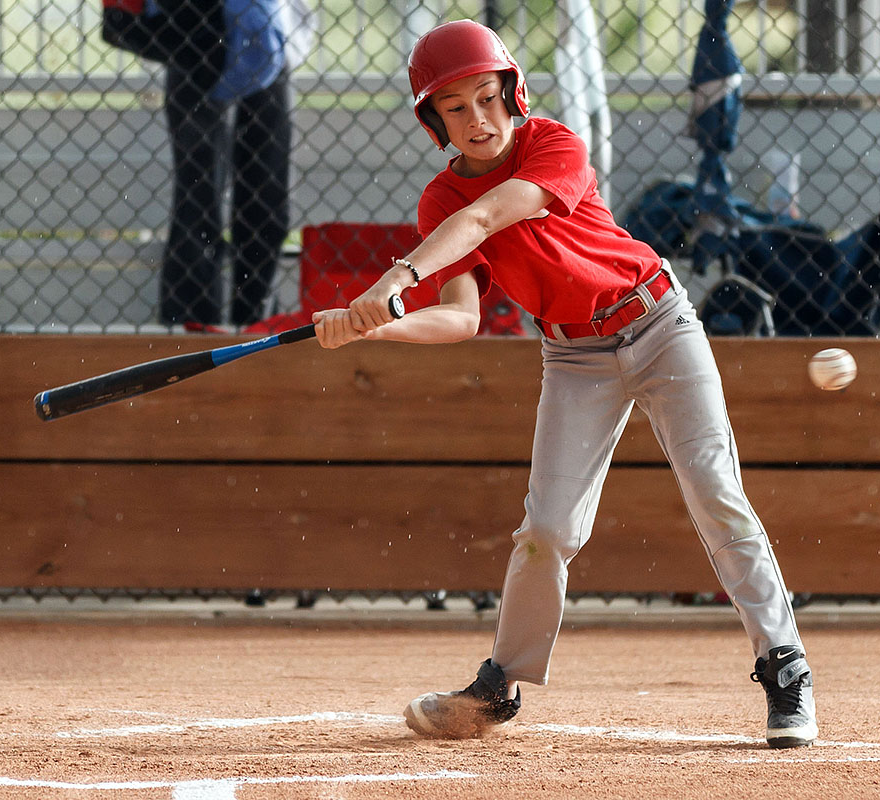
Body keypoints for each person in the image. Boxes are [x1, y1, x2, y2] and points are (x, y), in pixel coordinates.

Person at [312, 19, 818, 749]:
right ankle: (499, 686)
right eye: (456, 108)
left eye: (487, 98)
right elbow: (458, 320)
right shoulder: (436, 203)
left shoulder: (552, 144)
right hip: (574, 357)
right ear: (434, 120)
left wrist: (396, 277)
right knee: (546, 529)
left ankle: (785, 665)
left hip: (659, 324)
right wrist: (371, 325)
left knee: (716, 495)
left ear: (512, 92)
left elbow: (489, 214)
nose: (478, 119)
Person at [159, 0, 313, 329]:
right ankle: (190, 331)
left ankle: (258, 328)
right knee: (199, 200)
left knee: (266, 200)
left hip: (267, 34)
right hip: (198, 33)